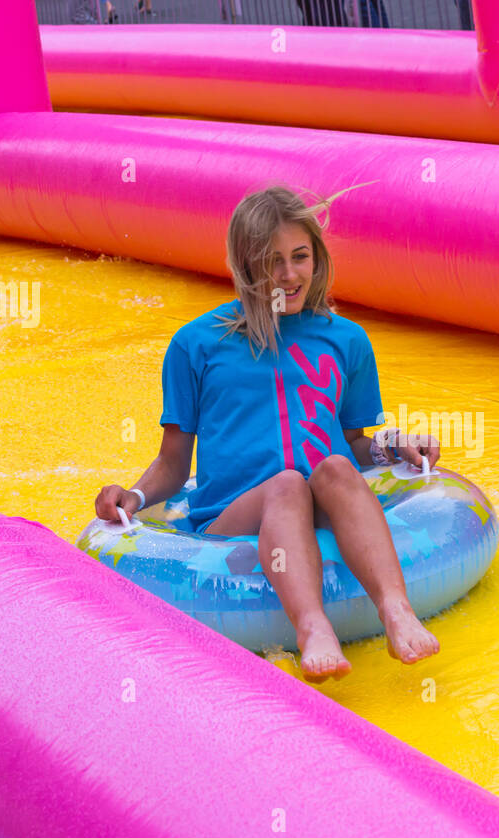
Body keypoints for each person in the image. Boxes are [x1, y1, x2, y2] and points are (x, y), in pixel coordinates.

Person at [95, 185, 441, 682]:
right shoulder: (197, 345)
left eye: (301, 257)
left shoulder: (347, 339)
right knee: (286, 483)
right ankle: (312, 625)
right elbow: (174, 466)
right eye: (272, 261)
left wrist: (393, 446)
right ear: (244, 265)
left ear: (317, 259)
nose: (290, 274)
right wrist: (133, 495)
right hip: (234, 515)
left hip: (322, 498)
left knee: (335, 468)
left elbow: (352, 443)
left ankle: (395, 610)